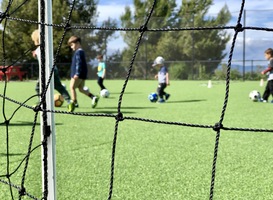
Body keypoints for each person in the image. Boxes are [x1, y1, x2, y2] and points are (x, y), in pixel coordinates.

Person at [31, 29, 75, 112]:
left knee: (38, 88)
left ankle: (41, 102)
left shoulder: (38, 50)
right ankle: (70, 101)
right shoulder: (48, 47)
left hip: (45, 71)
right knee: (59, 87)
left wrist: (34, 54)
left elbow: (37, 55)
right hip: (54, 69)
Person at [67, 35, 99, 109]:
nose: (71, 47)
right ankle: (93, 97)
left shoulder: (78, 52)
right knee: (81, 89)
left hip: (78, 74)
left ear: (77, 43)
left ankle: (74, 103)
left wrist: (77, 73)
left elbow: (79, 63)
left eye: (72, 45)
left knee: (72, 87)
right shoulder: (82, 52)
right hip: (83, 74)